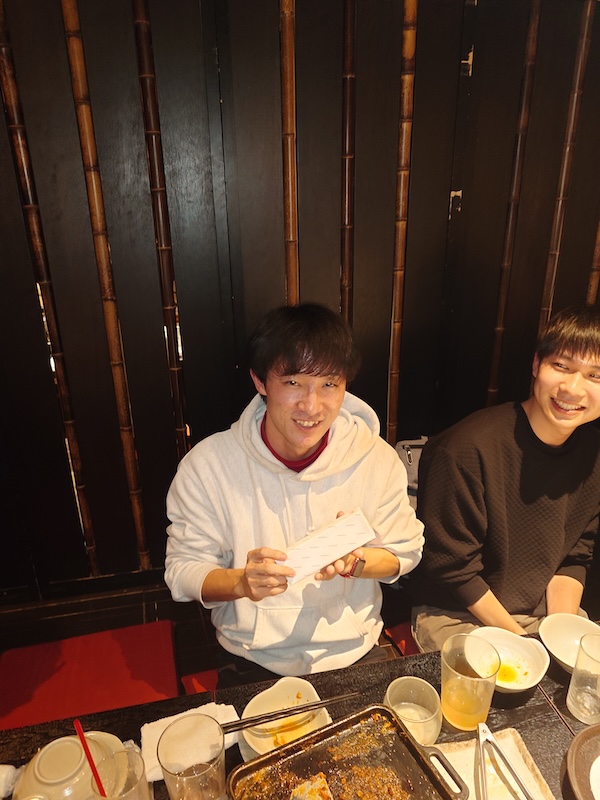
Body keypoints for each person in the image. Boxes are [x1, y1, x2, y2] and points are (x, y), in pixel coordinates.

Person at [164, 302, 424, 684]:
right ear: (259, 382)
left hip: (354, 650)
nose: (311, 406)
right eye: (293, 383)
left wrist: (356, 562)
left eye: (329, 384)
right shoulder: (207, 467)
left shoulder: (375, 459)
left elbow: (406, 552)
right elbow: (183, 572)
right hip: (252, 657)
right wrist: (242, 582)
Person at [411, 305, 600, 652]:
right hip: (456, 613)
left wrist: (559, 636)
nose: (573, 389)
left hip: (541, 611)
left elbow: (575, 555)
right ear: (536, 364)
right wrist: (525, 644)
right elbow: (454, 570)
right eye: (561, 366)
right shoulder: (464, 449)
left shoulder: (594, 454)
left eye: (595, 376)